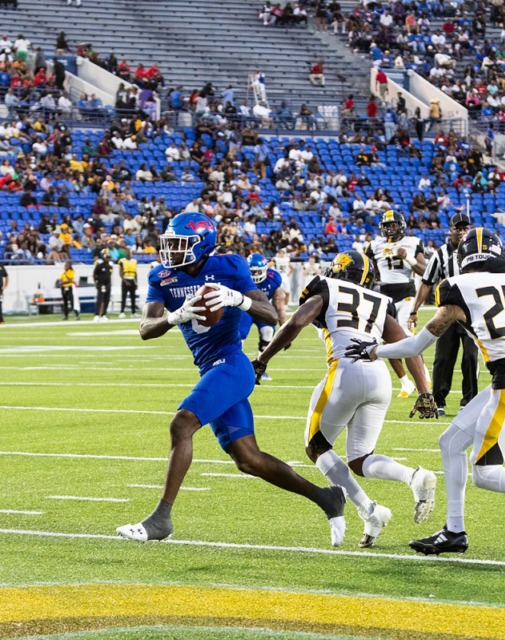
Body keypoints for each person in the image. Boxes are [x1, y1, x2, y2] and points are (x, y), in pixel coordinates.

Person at [345, 229, 505, 555]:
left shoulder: (457, 288)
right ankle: (454, 530)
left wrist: (375, 351)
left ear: (464, 258)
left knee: (485, 473)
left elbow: (418, 344)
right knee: (450, 443)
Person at [116, 212, 346, 545]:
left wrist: (238, 299)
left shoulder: (230, 266)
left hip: (233, 364)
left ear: (202, 245)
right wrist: (173, 317)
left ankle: (160, 519)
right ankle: (327, 498)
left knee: (182, 424)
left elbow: (270, 314)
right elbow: (145, 330)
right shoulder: (161, 277)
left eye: (180, 245)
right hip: (210, 367)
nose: (172, 251)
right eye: (170, 244)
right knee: (248, 459)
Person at [253, 251, 438, 548]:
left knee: (316, 445)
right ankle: (411, 479)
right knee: (360, 459)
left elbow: (297, 321)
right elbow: (406, 345)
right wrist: (424, 391)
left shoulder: (327, 286)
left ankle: (368, 508)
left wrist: (263, 359)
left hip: (345, 370)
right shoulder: (379, 301)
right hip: (379, 377)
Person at [410, 212, 478, 416]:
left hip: (471, 314)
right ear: (450, 230)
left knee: (471, 358)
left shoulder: (476, 252)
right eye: (458, 228)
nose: (462, 232)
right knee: (443, 358)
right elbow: (427, 283)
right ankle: (439, 401)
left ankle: (469, 402)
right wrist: (414, 310)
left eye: (466, 228)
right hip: (447, 314)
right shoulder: (441, 254)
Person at [364, 209, 427, 398]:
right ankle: (405, 382)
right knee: (388, 342)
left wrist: (407, 257)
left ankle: (423, 377)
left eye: (394, 225)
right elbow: (367, 270)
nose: (391, 229)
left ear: (401, 226)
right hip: (385, 296)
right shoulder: (373, 245)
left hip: (407, 295)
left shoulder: (413, 242)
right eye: (387, 226)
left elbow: (425, 271)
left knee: (407, 339)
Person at [241, 253, 283, 382]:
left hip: (263, 310)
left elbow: (279, 303)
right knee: (237, 338)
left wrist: (284, 324)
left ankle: (260, 367)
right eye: (251, 272)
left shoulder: (273, 278)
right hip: (244, 310)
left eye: (257, 271)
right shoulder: (241, 277)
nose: (254, 275)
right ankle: (238, 368)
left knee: (268, 332)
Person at [93, 249, 114, 322]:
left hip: (107, 285)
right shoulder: (99, 265)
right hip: (101, 284)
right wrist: (96, 283)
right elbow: (94, 274)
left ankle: (103, 314)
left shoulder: (110, 266)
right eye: (107, 257)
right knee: (100, 299)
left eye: (109, 258)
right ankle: (97, 314)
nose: (109, 259)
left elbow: (109, 275)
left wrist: (110, 283)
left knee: (106, 300)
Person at [117, 248, 138, 318]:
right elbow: (120, 272)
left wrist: (136, 282)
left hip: (132, 280)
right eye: (127, 252)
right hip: (125, 279)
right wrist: (125, 281)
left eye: (129, 252)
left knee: (133, 297)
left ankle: (133, 312)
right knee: (124, 297)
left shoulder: (134, 261)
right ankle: (122, 312)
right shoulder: (122, 261)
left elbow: (135, 273)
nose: (128, 253)